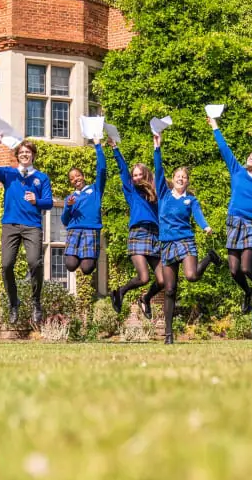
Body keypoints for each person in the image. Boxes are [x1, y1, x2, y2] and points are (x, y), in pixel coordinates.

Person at [208, 115, 252, 320]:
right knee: (234, 270)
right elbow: (224, 148)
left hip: (251, 225)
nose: (250, 157)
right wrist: (215, 126)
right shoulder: (237, 170)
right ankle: (249, 293)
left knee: (247, 267)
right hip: (234, 222)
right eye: (250, 155)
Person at [153, 132, 219, 344]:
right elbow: (158, 170)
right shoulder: (164, 194)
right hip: (167, 243)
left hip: (185, 240)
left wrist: (206, 226)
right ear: (173, 179)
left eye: (184, 177)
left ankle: (209, 258)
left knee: (191, 276)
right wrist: (157, 148)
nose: (181, 178)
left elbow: (198, 215)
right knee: (170, 289)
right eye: (178, 176)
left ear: (187, 181)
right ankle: (169, 334)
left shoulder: (191, 200)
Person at [0, 138, 54, 324]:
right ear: (17, 156)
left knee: (35, 262)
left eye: (28, 152)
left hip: (32, 226)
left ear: (33, 155)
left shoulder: (42, 178)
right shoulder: (9, 174)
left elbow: (49, 202)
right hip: (10, 225)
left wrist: (36, 201)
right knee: (6, 265)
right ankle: (14, 302)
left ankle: (36, 302)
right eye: (22, 152)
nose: (25, 154)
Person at [108, 143, 164, 318]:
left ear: (146, 175)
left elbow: (159, 171)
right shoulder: (131, 191)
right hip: (138, 233)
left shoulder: (156, 192)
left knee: (163, 280)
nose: (137, 178)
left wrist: (157, 149)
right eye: (135, 175)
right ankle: (120, 292)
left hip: (154, 235)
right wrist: (116, 149)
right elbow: (123, 170)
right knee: (144, 278)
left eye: (140, 174)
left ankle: (145, 299)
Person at [61, 134, 107, 285]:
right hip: (74, 231)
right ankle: (79, 254)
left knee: (87, 268)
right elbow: (64, 220)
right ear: (71, 182)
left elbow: (101, 170)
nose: (76, 179)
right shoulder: (70, 198)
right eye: (72, 178)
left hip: (90, 230)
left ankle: (87, 256)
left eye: (78, 175)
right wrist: (69, 206)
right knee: (70, 265)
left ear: (83, 176)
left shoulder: (95, 190)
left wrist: (97, 146)